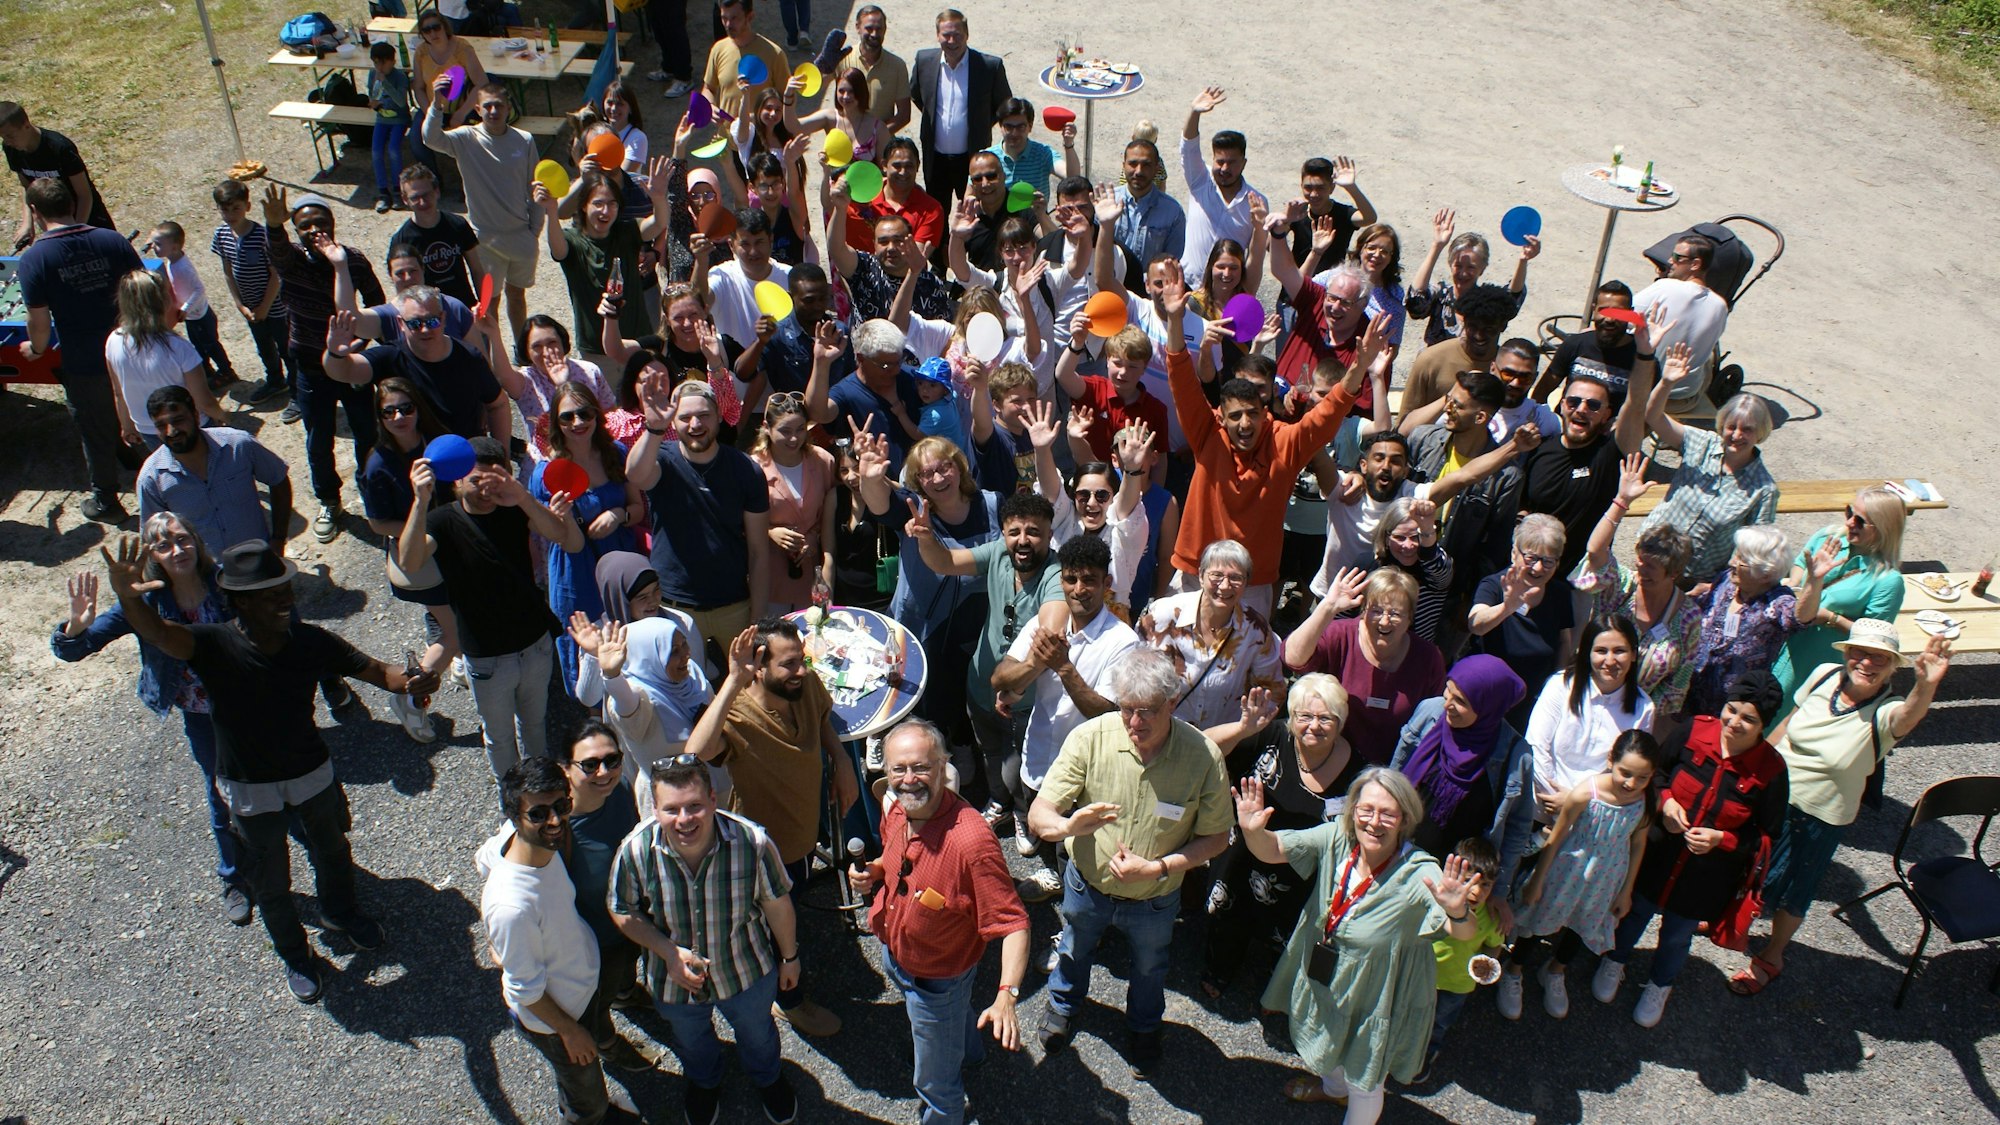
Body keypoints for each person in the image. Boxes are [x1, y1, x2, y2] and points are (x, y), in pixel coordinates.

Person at [95, 535, 438, 1002]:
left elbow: (379, 672)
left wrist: (417, 677)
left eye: (285, 590)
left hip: (310, 774)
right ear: (238, 601)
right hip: (248, 787)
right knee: (271, 881)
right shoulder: (211, 644)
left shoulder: (310, 641)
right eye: (270, 594)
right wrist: (126, 595)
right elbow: (157, 632)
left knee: (333, 851)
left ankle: (341, 911)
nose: (285, 601)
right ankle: (296, 956)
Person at [1028, 650, 1232, 1077]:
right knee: (1074, 945)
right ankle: (1063, 1006)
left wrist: (1158, 869)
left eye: (1146, 712)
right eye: (1125, 710)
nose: (1134, 723)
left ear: (1172, 703)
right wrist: (1069, 826)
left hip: (1155, 896)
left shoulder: (1203, 757)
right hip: (1087, 885)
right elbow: (1039, 816)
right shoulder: (1091, 737)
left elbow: (1216, 838)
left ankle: (1143, 1029)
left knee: (1150, 966)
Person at [1235, 767, 1481, 1118]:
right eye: (1366, 810)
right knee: (1325, 1041)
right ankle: (1334, 1091)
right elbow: (1272, 849)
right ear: (1352, 811)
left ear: (1405, 819)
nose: (1374, 822)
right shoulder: (1336, 837)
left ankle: (1348, 1096)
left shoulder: (1420, 872)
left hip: (1378, 994)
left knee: (1365, 1082)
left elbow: (1464, 932)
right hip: (1328, 974)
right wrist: (1251, 831)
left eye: (1387, 813)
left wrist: (1458, 912)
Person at [1731, 624, 1952, 996]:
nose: (1866, 662)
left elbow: (1909, 717)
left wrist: (1926, 685)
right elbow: (1788, 724)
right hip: (1774, 796)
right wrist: (1754, 767)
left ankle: (1772, 956)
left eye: (1879, 657)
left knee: (1796, 888)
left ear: (1893, 666)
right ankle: (1730, 921)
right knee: (1748, 862)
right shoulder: (1823, 675)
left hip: (1820, 816)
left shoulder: (1885, 712)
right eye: (1859, 652)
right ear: (1846, 652)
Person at [53, 516, 249, 924]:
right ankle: (233, 876)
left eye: (182, 539)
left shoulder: (226, 581)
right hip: (202, 719)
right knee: (219, 792)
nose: (176, 550)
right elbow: (72, 650)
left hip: (250, 705)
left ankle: (310, 848)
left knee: (278, 779)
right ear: (152, 556)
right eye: (163, 545)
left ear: (196, 540)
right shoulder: (143, 602)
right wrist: (75, 626)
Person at [1165, 261, 1383, 614]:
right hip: (1196, 573)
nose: (1244, 424)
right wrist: (1175, 321)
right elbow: (1182, 381)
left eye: (1252, 413)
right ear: (1222, 416)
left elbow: (1328, 416)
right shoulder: (1208, 433)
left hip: (1252, 584)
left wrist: (1360, 367)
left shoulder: (1285, 440)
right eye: (1235, 416)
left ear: (1265, 408)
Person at [849, 720, 1031, 1125]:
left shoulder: (972, 843)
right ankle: (970, 1052)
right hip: (898, 953)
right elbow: (895, 860)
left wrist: (1006, 995)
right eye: (898, 769)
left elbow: (1015, 923)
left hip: (938, 979)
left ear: (944, 766)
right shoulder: (897, 807)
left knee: (934, 1083)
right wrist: (875, 871)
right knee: (952, 1023)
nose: (908, 780)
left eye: (921, 767)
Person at [683, 619, 857, 1038]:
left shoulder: (804, 686)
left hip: (801, 835)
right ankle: (790, 1003)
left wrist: (843, 762)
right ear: (759, 668)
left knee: (791, 910)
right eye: (789, 664)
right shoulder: (740, 714)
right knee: (776, 932)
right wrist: (732, 680)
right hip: (765, 853)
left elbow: (821, 720)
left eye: (802, 660)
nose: (801, 670)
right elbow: (696, 751)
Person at [608, 758, 803, 1125]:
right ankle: (704, 1081)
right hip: (673, 981)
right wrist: (667, 952)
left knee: (758, 1034)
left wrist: (790, 958)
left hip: (745, 969)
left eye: (694, 805)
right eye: (671, 809)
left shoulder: (752, 842)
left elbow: (777, 904)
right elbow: (621, 909)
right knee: (692, 1040)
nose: (685, 819)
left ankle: (768, 1078)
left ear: (713, 799)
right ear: (655, 808)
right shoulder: (635, 850)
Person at [1599, 672, 1788, 1028]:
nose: (1733, 722)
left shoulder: (1772, 770)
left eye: (1748, 719)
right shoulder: (1693, 730)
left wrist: (1723, 840)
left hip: (1706, 876)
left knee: (1676, 935)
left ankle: (1660, 985)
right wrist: (1666, 802)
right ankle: (1614, 961)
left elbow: (1766, 836)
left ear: (1764, 725)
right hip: (1657, 856)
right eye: (1730, 710)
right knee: (1634, 912)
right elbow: (1657, 775)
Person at [401, 436, 580, 778]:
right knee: (498, 738)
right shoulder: (442, 521)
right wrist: (420, 502)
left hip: (534, 645)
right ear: (457, 480)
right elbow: (409, 563)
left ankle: (538, 793)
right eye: (475, 481)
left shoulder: (514, 508)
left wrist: (523, 497)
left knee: (534, 726)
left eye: (493, 481)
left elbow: (561, 536)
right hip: (485, 656)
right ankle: (511, 809)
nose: (485, 491)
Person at [992, 534, 1142, 902]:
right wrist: (1035, 662)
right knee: (1043, 826)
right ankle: (1054, 875)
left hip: (1087, 772)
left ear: (1106, 583)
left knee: (1077, 847)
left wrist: (1063, 667)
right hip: (1039, 752)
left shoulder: (1122, 641)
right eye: (1071, 579)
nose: (1079, 589)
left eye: (1089, 580)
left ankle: (1078, 905)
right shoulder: (1047, 625)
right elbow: (999, 677)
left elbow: (1108, 714)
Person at [477, 758, 622, 1125]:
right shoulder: (512, 906)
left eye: (561, 807)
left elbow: (484, 859)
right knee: (586, 1096)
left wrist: (500, 944)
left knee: (584, 1075)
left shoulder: (509, 844)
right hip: (560, 1020)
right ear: (514, 816)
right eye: (539, 814)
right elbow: (524, 990)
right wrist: (570, 1033)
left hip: (580, 986)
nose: (555, 821)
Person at [1198, 674, 1359, 997]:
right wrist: (1243, 728)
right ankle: (1221, 967)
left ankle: (1278, 981)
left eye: (1326, 718)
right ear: (1292, 716)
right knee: (1227, 915)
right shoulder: (1271, 734)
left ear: (1341, 722)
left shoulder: (1357, 770)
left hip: (1298, 866)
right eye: (1305, 716)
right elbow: (1203, 748)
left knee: (1285, 930)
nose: (1314, 726)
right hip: (1243, 848)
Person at [1503, 730, 1664, 1021]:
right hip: (1567, 872)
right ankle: (1514, 970)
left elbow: (1638, 844)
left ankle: (1555, 970)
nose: (1632, 783)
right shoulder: (1584, 793)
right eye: (1625, 773)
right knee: (1540, 922)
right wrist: (1538, 879)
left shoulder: (1645, 802)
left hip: (1606, 879)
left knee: (1581, 926)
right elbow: (1558, 834)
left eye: (1643, 778)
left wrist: (1626, 890)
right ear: (1610, 760)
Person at [260, 186, 385, 543]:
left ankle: (372, 489)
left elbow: (376, 303)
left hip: (352, 365)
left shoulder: (354, 260)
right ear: (296, 230)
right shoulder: (292, 261)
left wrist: (364, 345)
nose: (313, 230)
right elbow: (277, 251)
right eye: (304, 225)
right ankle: (329, 501)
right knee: (318, 439)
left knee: (367, 432)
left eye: (320, 222)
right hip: (310, 367)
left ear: (333, 223)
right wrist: (273, 224)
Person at [16, 175, 144, 520]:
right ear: (73, 204)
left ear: (35, 212)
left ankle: (106, 501)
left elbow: (39, 323)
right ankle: (138, 460)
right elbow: (142, 292)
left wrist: (37, 350)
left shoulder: (35, 259)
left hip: (84, 360)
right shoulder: (112, 241)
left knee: (94, 427)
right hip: (129, 349)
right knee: (140, 412)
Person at [626, 378, 772, 660]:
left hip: (734, 603)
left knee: (745, 683)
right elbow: (635, 475)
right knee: (683, 689)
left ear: (719, 416)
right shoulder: (662, 461)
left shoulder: (746, 470)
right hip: (675, 603)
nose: (695, 425)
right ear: (673, 422)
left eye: (704, 415)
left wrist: (758, 617)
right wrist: (655, 429)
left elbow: (758, 551)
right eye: (685, 417)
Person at [356, 378, 454, 742]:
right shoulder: (378, 464)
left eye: (406, 408)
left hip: (450, 543)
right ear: (379, 418)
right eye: (389, 411)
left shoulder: (435, 440)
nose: (400, 417)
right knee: (453, 633)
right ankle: (411, 699)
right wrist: (423, 518)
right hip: (418, 554)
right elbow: (378, 522)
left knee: (455, 619)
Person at [1389, 655, 1536, 891]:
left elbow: (1517, 829)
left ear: (1488, 707)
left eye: (1461, 701)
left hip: (1454, 881)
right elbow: (1393, 775)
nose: (1447, 704)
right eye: (1448, 691)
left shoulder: (1515, 756)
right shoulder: (1431, 713)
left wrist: (1499, 890)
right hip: (1396, 853)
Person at [532, 382, 643, 694]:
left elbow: (637, 507)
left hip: (620, 563)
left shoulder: (617, 453)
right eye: (567, 417)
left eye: (585, 413)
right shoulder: (545, 473)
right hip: (575, 572)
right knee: (586, 650)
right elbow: (545, 532)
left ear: (597, 414)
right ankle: (593, 716)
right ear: (556, 423)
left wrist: (618, 515)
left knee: (626, 640)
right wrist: (560, 516)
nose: (578, 423)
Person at [1638, 345, 1780, 580]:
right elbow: (1653, 417)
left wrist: (1719, 586)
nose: (1736, 435)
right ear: (1721, 425)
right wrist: (1666, 382)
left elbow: (1754, 549)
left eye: (1747, 429)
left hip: (1694, 579)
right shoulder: (1701, 443)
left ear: (1760, 433)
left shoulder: (1763, 490)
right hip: (1649, 555)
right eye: (1731, 427)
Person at [422, 79, 541, 354]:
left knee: (518, 295)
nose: (493, 111)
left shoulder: (524, 140)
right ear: (477, 109)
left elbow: (533, 185)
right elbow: (430, 138)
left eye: (499, 105)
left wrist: (535, 228)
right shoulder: (466, 138)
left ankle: (522, 351)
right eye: (487, 106)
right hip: (485, 240)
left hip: (520, 235)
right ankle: (493, 353)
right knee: (490, 301)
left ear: (508, 107)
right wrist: (438, 103)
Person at [1286, 568, 1447, 765]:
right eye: (1376, 611)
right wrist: (1328, 606)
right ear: (1363, 610)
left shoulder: (1428, 657)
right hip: (1329, 759)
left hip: (1393, 767)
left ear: (1410, 618)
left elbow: (1434, 719)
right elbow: (1293, 658)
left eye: (1395, 613)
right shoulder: (1341, 635)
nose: (1385, 621)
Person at [555, 722, 652, 1033]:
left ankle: (626, 993)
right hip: (594, 944)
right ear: (565, 769)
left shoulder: (620, 788)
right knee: (598, 998)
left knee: (626, 969)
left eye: (612, 760)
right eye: (589, 764)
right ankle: (605, 1041)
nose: (603, 772)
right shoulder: (557, 830)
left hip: (633, 919)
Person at [1773, 487, 1907, 712]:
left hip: (1815, 656)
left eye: (1860, 521)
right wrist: (1795, 584)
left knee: (1786, 709)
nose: (1849, 523)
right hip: (1781, 636)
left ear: (1883, 528)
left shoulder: (1887, 581)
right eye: (1849, 513)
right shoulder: (1829, 536)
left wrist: (1830, 618)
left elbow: (1873, 639)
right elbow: (1800, 562)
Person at [322, 288, 513, 445]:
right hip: (413, 468)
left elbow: (498, 405)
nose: (425, 329)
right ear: (400, 324)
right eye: (415, 323)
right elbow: (344, 371)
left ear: (444, 319)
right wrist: (335, 354)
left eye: (432, 321)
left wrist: (500, 455)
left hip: (464, 463)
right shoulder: (390, 357)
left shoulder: (469, 357)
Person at [1681, 526, 1833, 723]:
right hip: (1690, 687)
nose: (1732, 562)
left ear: (1765, 573)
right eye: (1736, 554)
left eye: (1742, 560)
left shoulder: (1776, 601)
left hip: (1727, 706)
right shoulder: (1727, 580)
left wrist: (1815, 580)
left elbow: (1800, 618)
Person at [1137, 538, 1284, 733]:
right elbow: (1133, 672)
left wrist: (1243, 729)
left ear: (1246, 583)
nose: (1224, 586)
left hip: (1222, 740)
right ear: (1200, 576)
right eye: (1216, 575)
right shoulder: (1162, 615)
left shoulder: (1256, 630)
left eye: (1236, 578)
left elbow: (1273, 691)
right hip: (1161, 733)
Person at [1524, 616, 1656, 819]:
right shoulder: (1560, 685)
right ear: (1587, 653)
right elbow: (1536, 746)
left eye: (1619, 651)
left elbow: (1629, 770)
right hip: (1543, 804)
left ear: (1633, 654)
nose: (1610, 661)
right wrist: (1554, 798)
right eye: (1601, 651)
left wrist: (1577, 802)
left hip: (1593, 815)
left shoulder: (1643, 708)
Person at [136, 386, 291, 555]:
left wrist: (278, 539)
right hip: (206, 575)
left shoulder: (238, 445)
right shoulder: (151, 479)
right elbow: (153, 535)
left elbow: (279, 480)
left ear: (196, 416)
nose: (171, 431)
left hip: (259, 561)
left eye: (178, 420)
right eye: (160, 425)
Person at [541, 171, 671, 354]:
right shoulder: (573, 241)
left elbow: (659, 223)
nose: (605, 211)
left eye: (612, 204)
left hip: (638, 344)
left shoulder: (628, 231)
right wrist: (551, 210)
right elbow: (558, 250)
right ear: (584, 206)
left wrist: (658, 198)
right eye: (598, 203)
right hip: (596, 350)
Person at [1466, 515, 1574, 726]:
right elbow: (1476, 624)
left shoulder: (1560, 592)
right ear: (1515, 553)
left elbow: (1563, 641)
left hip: (1534, 698)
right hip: (1490, 694)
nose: (1538, 568)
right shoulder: (1494, 585)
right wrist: (1508, 607)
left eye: (1548, 561)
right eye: (1531, 558)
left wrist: (1558, 685)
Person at [105, 272, 227, 448]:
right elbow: (204, 401)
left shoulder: (113, 341)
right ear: (162, 302)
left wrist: (126, 426)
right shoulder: (179, 347)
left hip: (150, 432)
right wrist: (223, 416)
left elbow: (119, 392)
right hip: (190, 428)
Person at [1416, 837, 1503, 1083]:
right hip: (1421, 976)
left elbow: (1493, 947)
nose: (1476, 891)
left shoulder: (1492, 919)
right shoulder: (1435, 905)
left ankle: (1427, 1056)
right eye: (1469, 881)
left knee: (1438, 1025)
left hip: (1457, 986)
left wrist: (1488, 965)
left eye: (1485, 884)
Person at [209, 178, 298, 411]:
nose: (230, 214)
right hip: (251, 309)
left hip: (275, 308)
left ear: (247, 207)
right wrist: (241, 305)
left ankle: (298, 390)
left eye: (235, 208)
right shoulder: (221, 235)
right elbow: (228, 272)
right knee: (264, 347)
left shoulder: (262, 235)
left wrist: (265, 307)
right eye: (224, 209)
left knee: (286, 347)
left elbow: (275, 276)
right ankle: (275, 381)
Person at [911, 9, 1012, 202]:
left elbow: (1003, 106)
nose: (951, 41)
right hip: (936, 158)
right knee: (938, 214)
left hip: (972, 158)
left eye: (957, 35)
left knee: (976, 213)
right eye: (946, 35)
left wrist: (980, 124)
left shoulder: (989, 66)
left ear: (966, 35)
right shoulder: (924, 61)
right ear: (937, 35)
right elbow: (917, 95)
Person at [1395, 281, 1523, 430]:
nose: (1479, 335)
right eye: (1472, 327)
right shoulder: (1430, 360)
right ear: (1464, 321)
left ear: (1503, 326)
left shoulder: (1508, 369)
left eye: (1489, 329)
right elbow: (1403, 426)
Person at [753, 392, 836, 611]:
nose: (794, 439)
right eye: (785, 431)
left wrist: (813, 537)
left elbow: (829, 516)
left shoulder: (823, 461)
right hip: (770, 575)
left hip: (811, 574)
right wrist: (770, 532)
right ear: (767, 428)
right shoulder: (752, 468)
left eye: (800, 430)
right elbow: (738, 521)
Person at [1403, 209, 1533, 349]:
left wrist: (1523, 260)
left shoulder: (1487, 302)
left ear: (1482, 269)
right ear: (1450, 264)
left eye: (1471, 267)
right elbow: (1415, 303)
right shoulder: (1442, 295)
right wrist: (1437, 246)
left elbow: (1512, 298)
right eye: (1458, 266)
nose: (1463, 273)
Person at [1634, 233, 1730, 405]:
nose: (1670, 261)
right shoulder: (1721, 306)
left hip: (1642, 389)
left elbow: (1626, 315)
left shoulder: (1664, 286)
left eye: (1677, 257)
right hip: (1684, 397)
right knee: (1707, 360)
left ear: (1695, 264)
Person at [1178, 86, 1260, 280]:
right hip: (1189, 285)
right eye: (1220, 161)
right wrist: (1194, 112)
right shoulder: (1200, 180)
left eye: (1231, 163)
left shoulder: (1256, 203)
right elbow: (1188, 148)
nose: (1224, 169)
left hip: (1227, 291)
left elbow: (1255, 255)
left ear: (1244, 164)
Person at [1, 101, 113, 241]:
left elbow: (84, 195)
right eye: (3, 137)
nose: (7, 141)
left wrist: (76, 231)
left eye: (10, 136)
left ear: (26, 125)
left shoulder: (60, 148)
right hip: (54, 224)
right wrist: (27, 223)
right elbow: (26, 187)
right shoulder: (12, 149)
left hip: (87, 217)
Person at [148, 220, 237, 389]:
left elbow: (199, 290)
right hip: (191, 316)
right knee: (197, 345)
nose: (154, 247)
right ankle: (207, 371)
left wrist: (184, 308)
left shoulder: (182, 268)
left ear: (174, 247)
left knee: (210, 344)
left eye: (158, 244)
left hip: (200, 316)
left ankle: (227, 372)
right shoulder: (171, 261)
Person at [390, 165, 487, 307]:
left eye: (426, 195)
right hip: (428, 314)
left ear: (437, 192)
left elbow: (477, 270)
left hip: (464, 307)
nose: (422, 202)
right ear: (405, 199)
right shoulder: (402, 240)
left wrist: (485, 307)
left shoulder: (458, 225)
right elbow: (402, 286)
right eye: (415, 197)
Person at [1360, 497, 1452, 645]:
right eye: (1399, 537)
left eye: (1416, 537)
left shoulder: (1435, 564)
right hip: (1370, 648)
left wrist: (1427, 529)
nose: (1408, 545)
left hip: (1417, 652)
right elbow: (1343, 616)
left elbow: (1442, 577)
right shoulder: (1369, 565)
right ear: (1386, 536)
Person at [1537, 280, 1640, 408]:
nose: (1610, 319)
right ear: (1594, 310)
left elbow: (1646, 414)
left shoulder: (1642, 359)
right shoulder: (1574, 344)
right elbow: (1539, 395)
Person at [840, 136, 944, 256]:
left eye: (909, 166)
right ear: (884, 165)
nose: (903, 172)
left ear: (918, 166)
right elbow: (836, 240)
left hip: (908, 274)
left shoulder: (931, 209)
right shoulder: (861, 196)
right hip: (861, 270)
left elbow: (916, 258)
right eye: (897, 166)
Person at [1111, 139, 1185, 289]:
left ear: (1157, 168)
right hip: (1109, 287)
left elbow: (1170, 263)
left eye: (1146, 165)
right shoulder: (1107, 203)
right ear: (1123, 165)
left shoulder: (1172, 212)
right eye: (1133, 164)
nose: (1138, 171)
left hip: (1149, 294)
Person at [701, 0, 788, 121]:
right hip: (727, 137)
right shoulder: (718, 49)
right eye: (724, 18)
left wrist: (760, 118)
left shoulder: (774, 54)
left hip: (760, 137)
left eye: (734, 18)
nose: (728, 25)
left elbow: (786, 99)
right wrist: (709, 106)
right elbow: (709, 88)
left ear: (750, 16)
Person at [1285, 156, 1376, 268]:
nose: (1313, 194)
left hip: (1331, 283)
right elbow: (1270, 244)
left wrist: (1351, 187)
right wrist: (1286, 220)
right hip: (1298, 281)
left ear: (1331, 188)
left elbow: (1370, 218)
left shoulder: (1343, 213)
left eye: (1320, 188)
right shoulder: (1297, 212)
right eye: (1308, 188)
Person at [786, 65, 886, 165]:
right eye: (841, 91)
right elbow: (794, 127)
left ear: (861, 92)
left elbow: (885, 169)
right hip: (833, 180)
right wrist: (788, 96)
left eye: (851, 91)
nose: (846, 96)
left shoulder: (878, 128)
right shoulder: (830, 118)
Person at [364, 42, 413, 214]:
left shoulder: (399, 76)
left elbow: (400, 101)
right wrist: (374, 104)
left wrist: (385, 83)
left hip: (399, 118)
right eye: (376, 63)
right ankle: (383, 192)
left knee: (393, 149)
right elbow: (372, 95)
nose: (379, 67)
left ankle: (398, 190)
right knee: (376, 151)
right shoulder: (373, 74)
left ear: (392, 61)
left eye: (382, 63)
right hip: (382, 118)